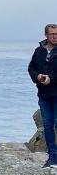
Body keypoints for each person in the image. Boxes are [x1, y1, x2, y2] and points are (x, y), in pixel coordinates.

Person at [28, 24, 57, 167]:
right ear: (46, 35)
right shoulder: (38, 51)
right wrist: (38, 76)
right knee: (47, 125)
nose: (55, 36)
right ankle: (52, 157)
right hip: (44, 95)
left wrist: (51, 78)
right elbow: (31, 68)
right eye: (52, 34)